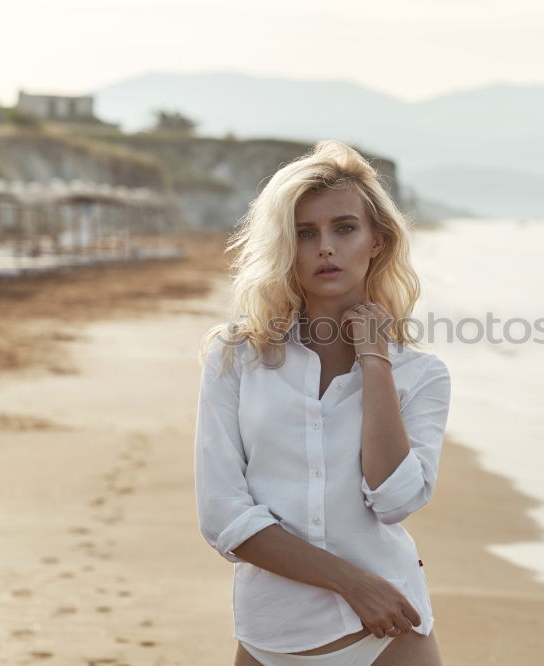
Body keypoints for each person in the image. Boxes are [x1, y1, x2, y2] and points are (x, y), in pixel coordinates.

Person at [193, 139, 451, 665]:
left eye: (344, 228)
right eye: (305, 233)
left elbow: (395, 499)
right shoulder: (235, 356)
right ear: (286, 246)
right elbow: (223, 515)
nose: (325, 248)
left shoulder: (422, 375)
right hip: (272, 637)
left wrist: (374, 360)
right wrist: (354, 584)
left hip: (391, 639)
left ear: (377, 240)